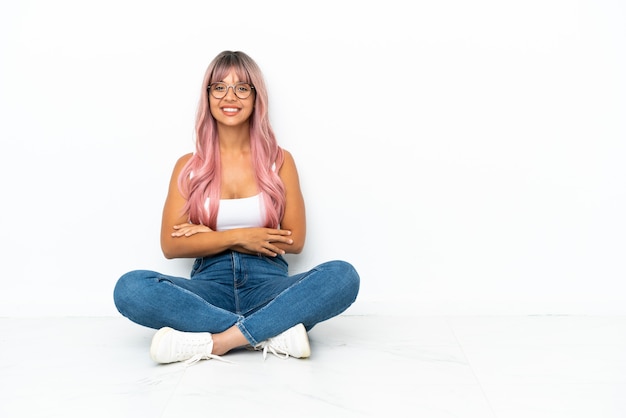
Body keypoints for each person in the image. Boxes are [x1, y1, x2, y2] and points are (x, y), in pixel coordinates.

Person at [113, 50, 360, 364]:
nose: (230, 96)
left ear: (256, 97)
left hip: (268, 284)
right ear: (208, 96)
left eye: (242, 88)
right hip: (208, 288)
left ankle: (218, 342)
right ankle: (270, 329)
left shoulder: (279, 161)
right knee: (131, 288)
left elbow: (294, 240)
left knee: (342, 276)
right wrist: (239, 236)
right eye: (219, 87)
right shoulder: (188, 167)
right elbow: (171, 245)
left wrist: (207, 234)